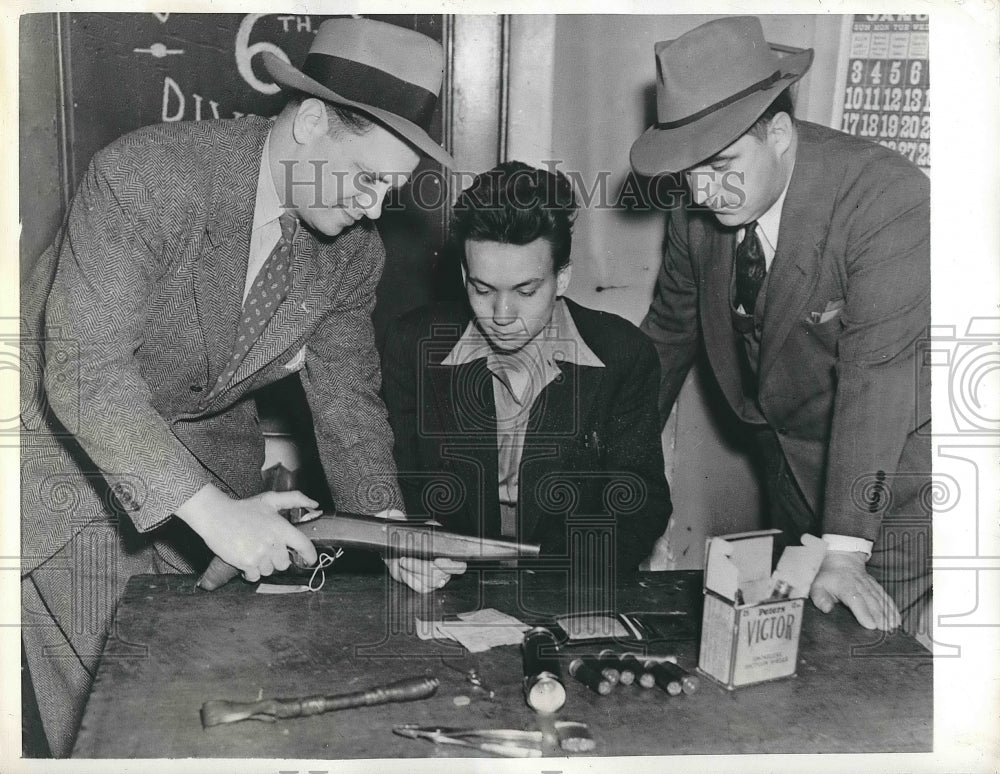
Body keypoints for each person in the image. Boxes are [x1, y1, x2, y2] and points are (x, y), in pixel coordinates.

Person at [20, 18, 453, 756]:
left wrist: (387, 523)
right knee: (120, 724)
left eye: (393, 189)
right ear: (312, 121)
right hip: (66, 463)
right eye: (370, 178)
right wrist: (215, 514)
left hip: (208, 468)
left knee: (216, 706)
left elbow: (347, 394)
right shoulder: (146, 178)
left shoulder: (353, 255)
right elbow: (86, 374)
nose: (377, 208)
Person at [630, 17, 930, 636]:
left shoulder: (886, 198)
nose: (704, 191)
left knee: (867, 660)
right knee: (798, 651)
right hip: (792, 471)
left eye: (721, 165)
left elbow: (876, 376)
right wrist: (620, 467)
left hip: (891, 487)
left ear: (781, 133)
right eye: (688, 171)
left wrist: (846, 550)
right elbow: (666, 338)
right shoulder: (698, 206)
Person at [381, 162, 672, 594]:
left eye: (525, 291)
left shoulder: (622, 355)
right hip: (442, 584)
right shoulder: (413, 344)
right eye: (482, 289)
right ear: (463, 275)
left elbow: (639, 505)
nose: (502, 316)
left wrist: (553, 587)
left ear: (563, 278)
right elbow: (395, 484)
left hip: (572, 586)